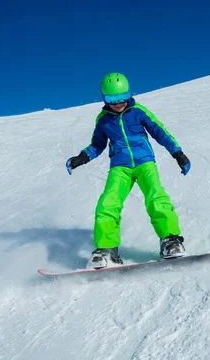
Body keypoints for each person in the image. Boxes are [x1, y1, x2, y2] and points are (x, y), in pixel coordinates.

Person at [66, 72, 191, 269]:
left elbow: (160, 132)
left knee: (156, 197)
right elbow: (97, 145)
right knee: (108, 203)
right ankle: (106, 250)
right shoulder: (103, 119)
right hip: (120, 167)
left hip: (144, 163)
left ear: (129, 94)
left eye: (122, 98)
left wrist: (178, 153)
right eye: (112, 99)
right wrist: (82, 157)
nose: (117, 103)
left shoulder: (138, 111)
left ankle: (170, 240)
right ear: (104, 99)